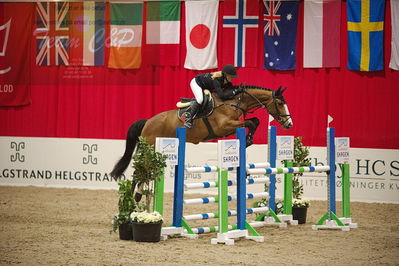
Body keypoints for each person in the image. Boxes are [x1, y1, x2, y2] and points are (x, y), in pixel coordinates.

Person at [184, 64, 241, 128]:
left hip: (206, 86)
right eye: (231, 76)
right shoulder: (216, 80)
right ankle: (188, 118)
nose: (232, 78)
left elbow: (231, 89)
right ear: (225, 75)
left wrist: (239, 88)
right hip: (196, 83)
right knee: (200, 99)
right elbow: (222, 96)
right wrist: (235, 92)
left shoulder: (227, 81)